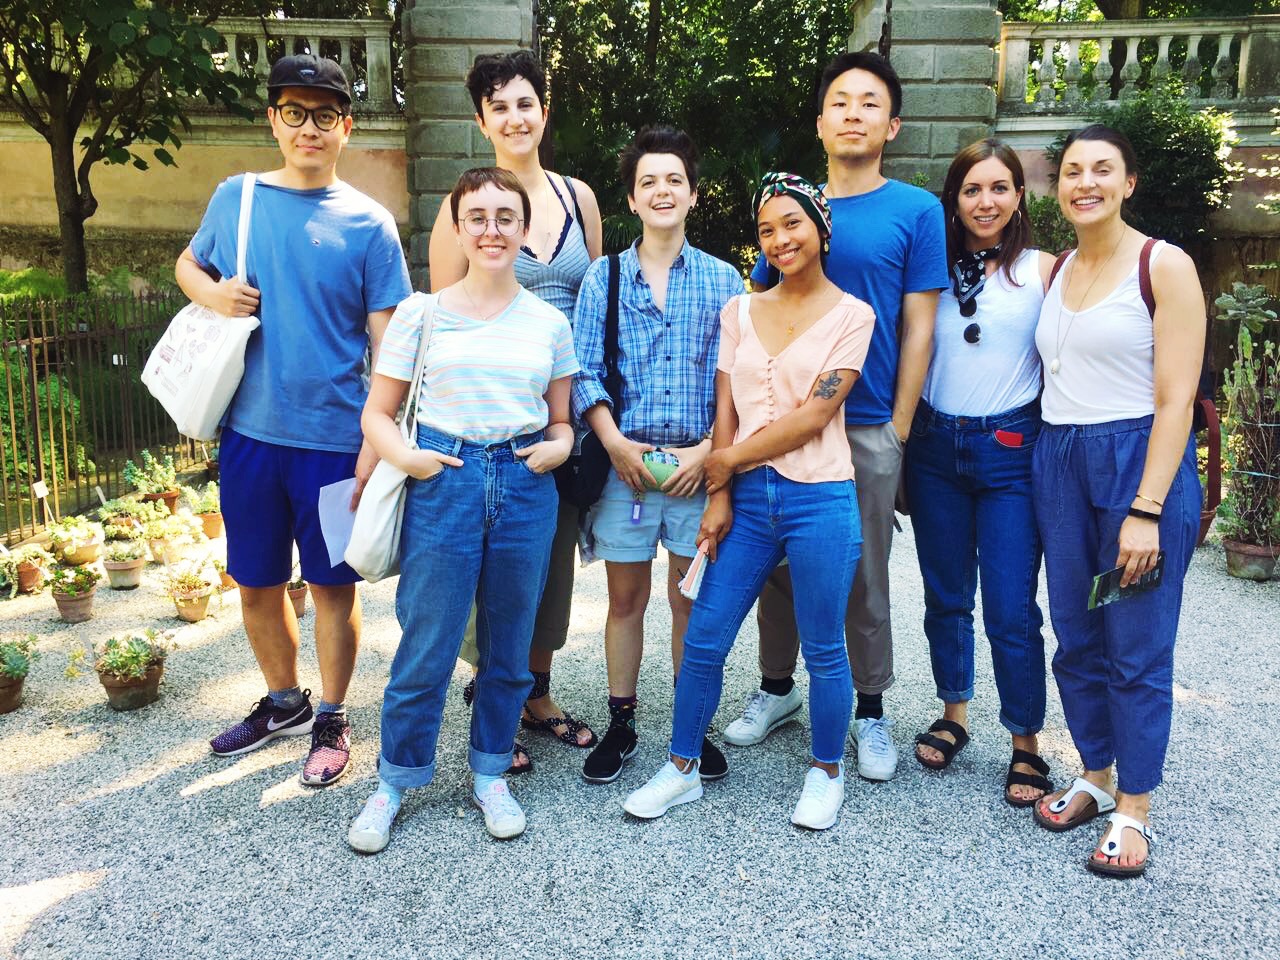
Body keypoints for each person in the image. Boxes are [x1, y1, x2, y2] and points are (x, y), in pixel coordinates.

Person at [177, 55, 411, 786]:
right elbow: (188, 267)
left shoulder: (371, 225)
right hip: (248, 434)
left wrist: (378, 438)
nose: (309, 128)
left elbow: (390, 345)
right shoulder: (237, 198)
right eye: (294, 112)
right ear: (273, 120)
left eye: (324, 115)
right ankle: (284, 702)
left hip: (334, 443)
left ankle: (333, 716)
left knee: (334, 588)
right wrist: (213, 297)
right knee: (255, 581)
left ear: (346, 127)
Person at [624, 173, 874, 829]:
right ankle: (681, 768)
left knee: (823, 648)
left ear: (820, 228)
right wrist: (721, 491)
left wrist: (721, 460)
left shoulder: (854, 316)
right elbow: (726, 406)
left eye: (792, 223)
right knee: (704, 636)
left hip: (821, 497)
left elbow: (816, 417)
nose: (780, 238)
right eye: (767, 229)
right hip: (748, 502)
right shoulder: (740, 310)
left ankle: (826, 771)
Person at [724, 52, 947, 782]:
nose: (854, 112)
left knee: (863, 577)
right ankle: (778, 690)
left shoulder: (915, 210)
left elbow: (919, 326)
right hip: (784, 428)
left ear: (893, 123)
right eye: (841, 102)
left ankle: (871, 710)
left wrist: (900, 429)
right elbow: (759, 309)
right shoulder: (792, 207)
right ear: (820, 123)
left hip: (867, 425)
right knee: (775, 571)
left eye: (870, 102)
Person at [348, 167, 578, 851]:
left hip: (523, 483)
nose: (491, 229)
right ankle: (395, 780)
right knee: (428, 642)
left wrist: (556, 451)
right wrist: (413, 461)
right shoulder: (423, 312)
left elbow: (563, 423)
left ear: (524, 228)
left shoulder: (549, 322)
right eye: (476, 216)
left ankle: (489, 773)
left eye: (505, 217)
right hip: (443, 480)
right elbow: (378, 415)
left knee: (510, 648)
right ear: (457, 227)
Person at [1029, 125, 1204, 878]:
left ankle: (1136, 806)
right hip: (1060, 459)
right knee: (1076, 630)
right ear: (1059, 187)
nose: (1086, 182)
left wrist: (1148, 509)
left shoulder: (1163, 266)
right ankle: (1095, 774)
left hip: (1138, 463)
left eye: (1103, 169)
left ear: (1129, 181)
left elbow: (1176, 401)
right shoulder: (1055, 268)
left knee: (1135, 642)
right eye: (1073, 171)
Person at [429, 50, 603, 768]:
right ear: (481, 120)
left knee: (549, 562)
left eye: (524, 102)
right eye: (498, 105)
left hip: (561, 410)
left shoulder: (577, 197)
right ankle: (488, 690)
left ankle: (535, 691)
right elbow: (443, 325)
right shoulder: (462, 207)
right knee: (481, 561)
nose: (514, 116)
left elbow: (593, 305)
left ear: (544, 111)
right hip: (488, 418)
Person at [572, 126, 743, 785]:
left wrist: (710, 452)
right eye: (650, 181)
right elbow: (582, 371)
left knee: (686, 599)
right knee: (625, 599)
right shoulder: (603, 277)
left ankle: (690, 722)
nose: (662, 190)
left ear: (693, 195)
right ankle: (621, 720)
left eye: (675, 179)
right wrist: (613, 442)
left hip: (696, 472)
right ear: (633, 198)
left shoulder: (725, 281)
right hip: (626, 470)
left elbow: (738, 378)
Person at [904, 139, 1056, 805]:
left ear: (1019, 196)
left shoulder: (1047, 272)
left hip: (1010, 451)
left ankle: (1026, 740)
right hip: (936, 446)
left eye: (998, 188)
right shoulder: (930, 270)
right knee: (946, 593)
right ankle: (954, 711)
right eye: (972, 189)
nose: (985, 201)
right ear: (954, 199)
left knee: (1011, 605)